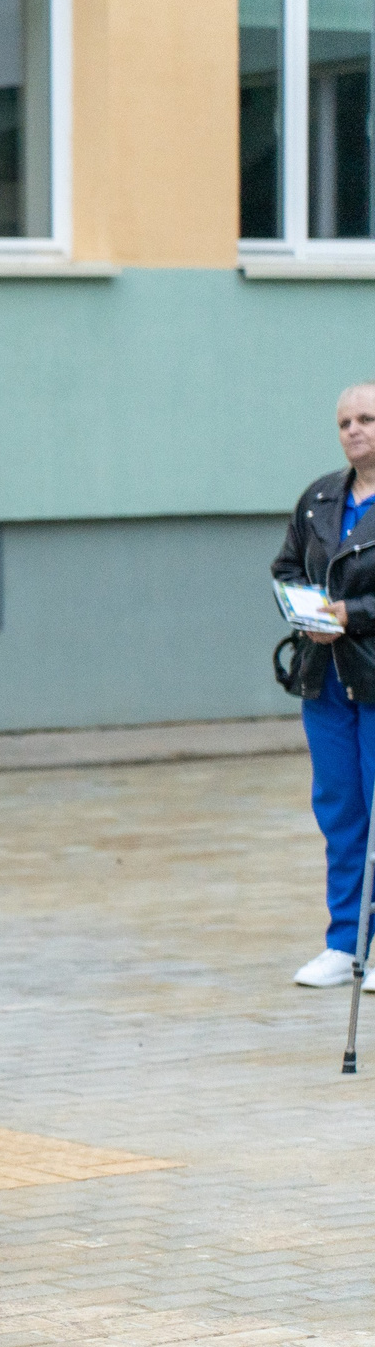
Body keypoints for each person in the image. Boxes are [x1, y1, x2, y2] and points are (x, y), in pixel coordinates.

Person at [277, 380, 375, 989]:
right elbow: (286, 566)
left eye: (367, 418)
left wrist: (353, 614)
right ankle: (345, 941)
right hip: (327, 680)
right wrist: (307, 612)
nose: (355, 431)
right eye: (345, 423)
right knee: (339, 808)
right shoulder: (319, 498)